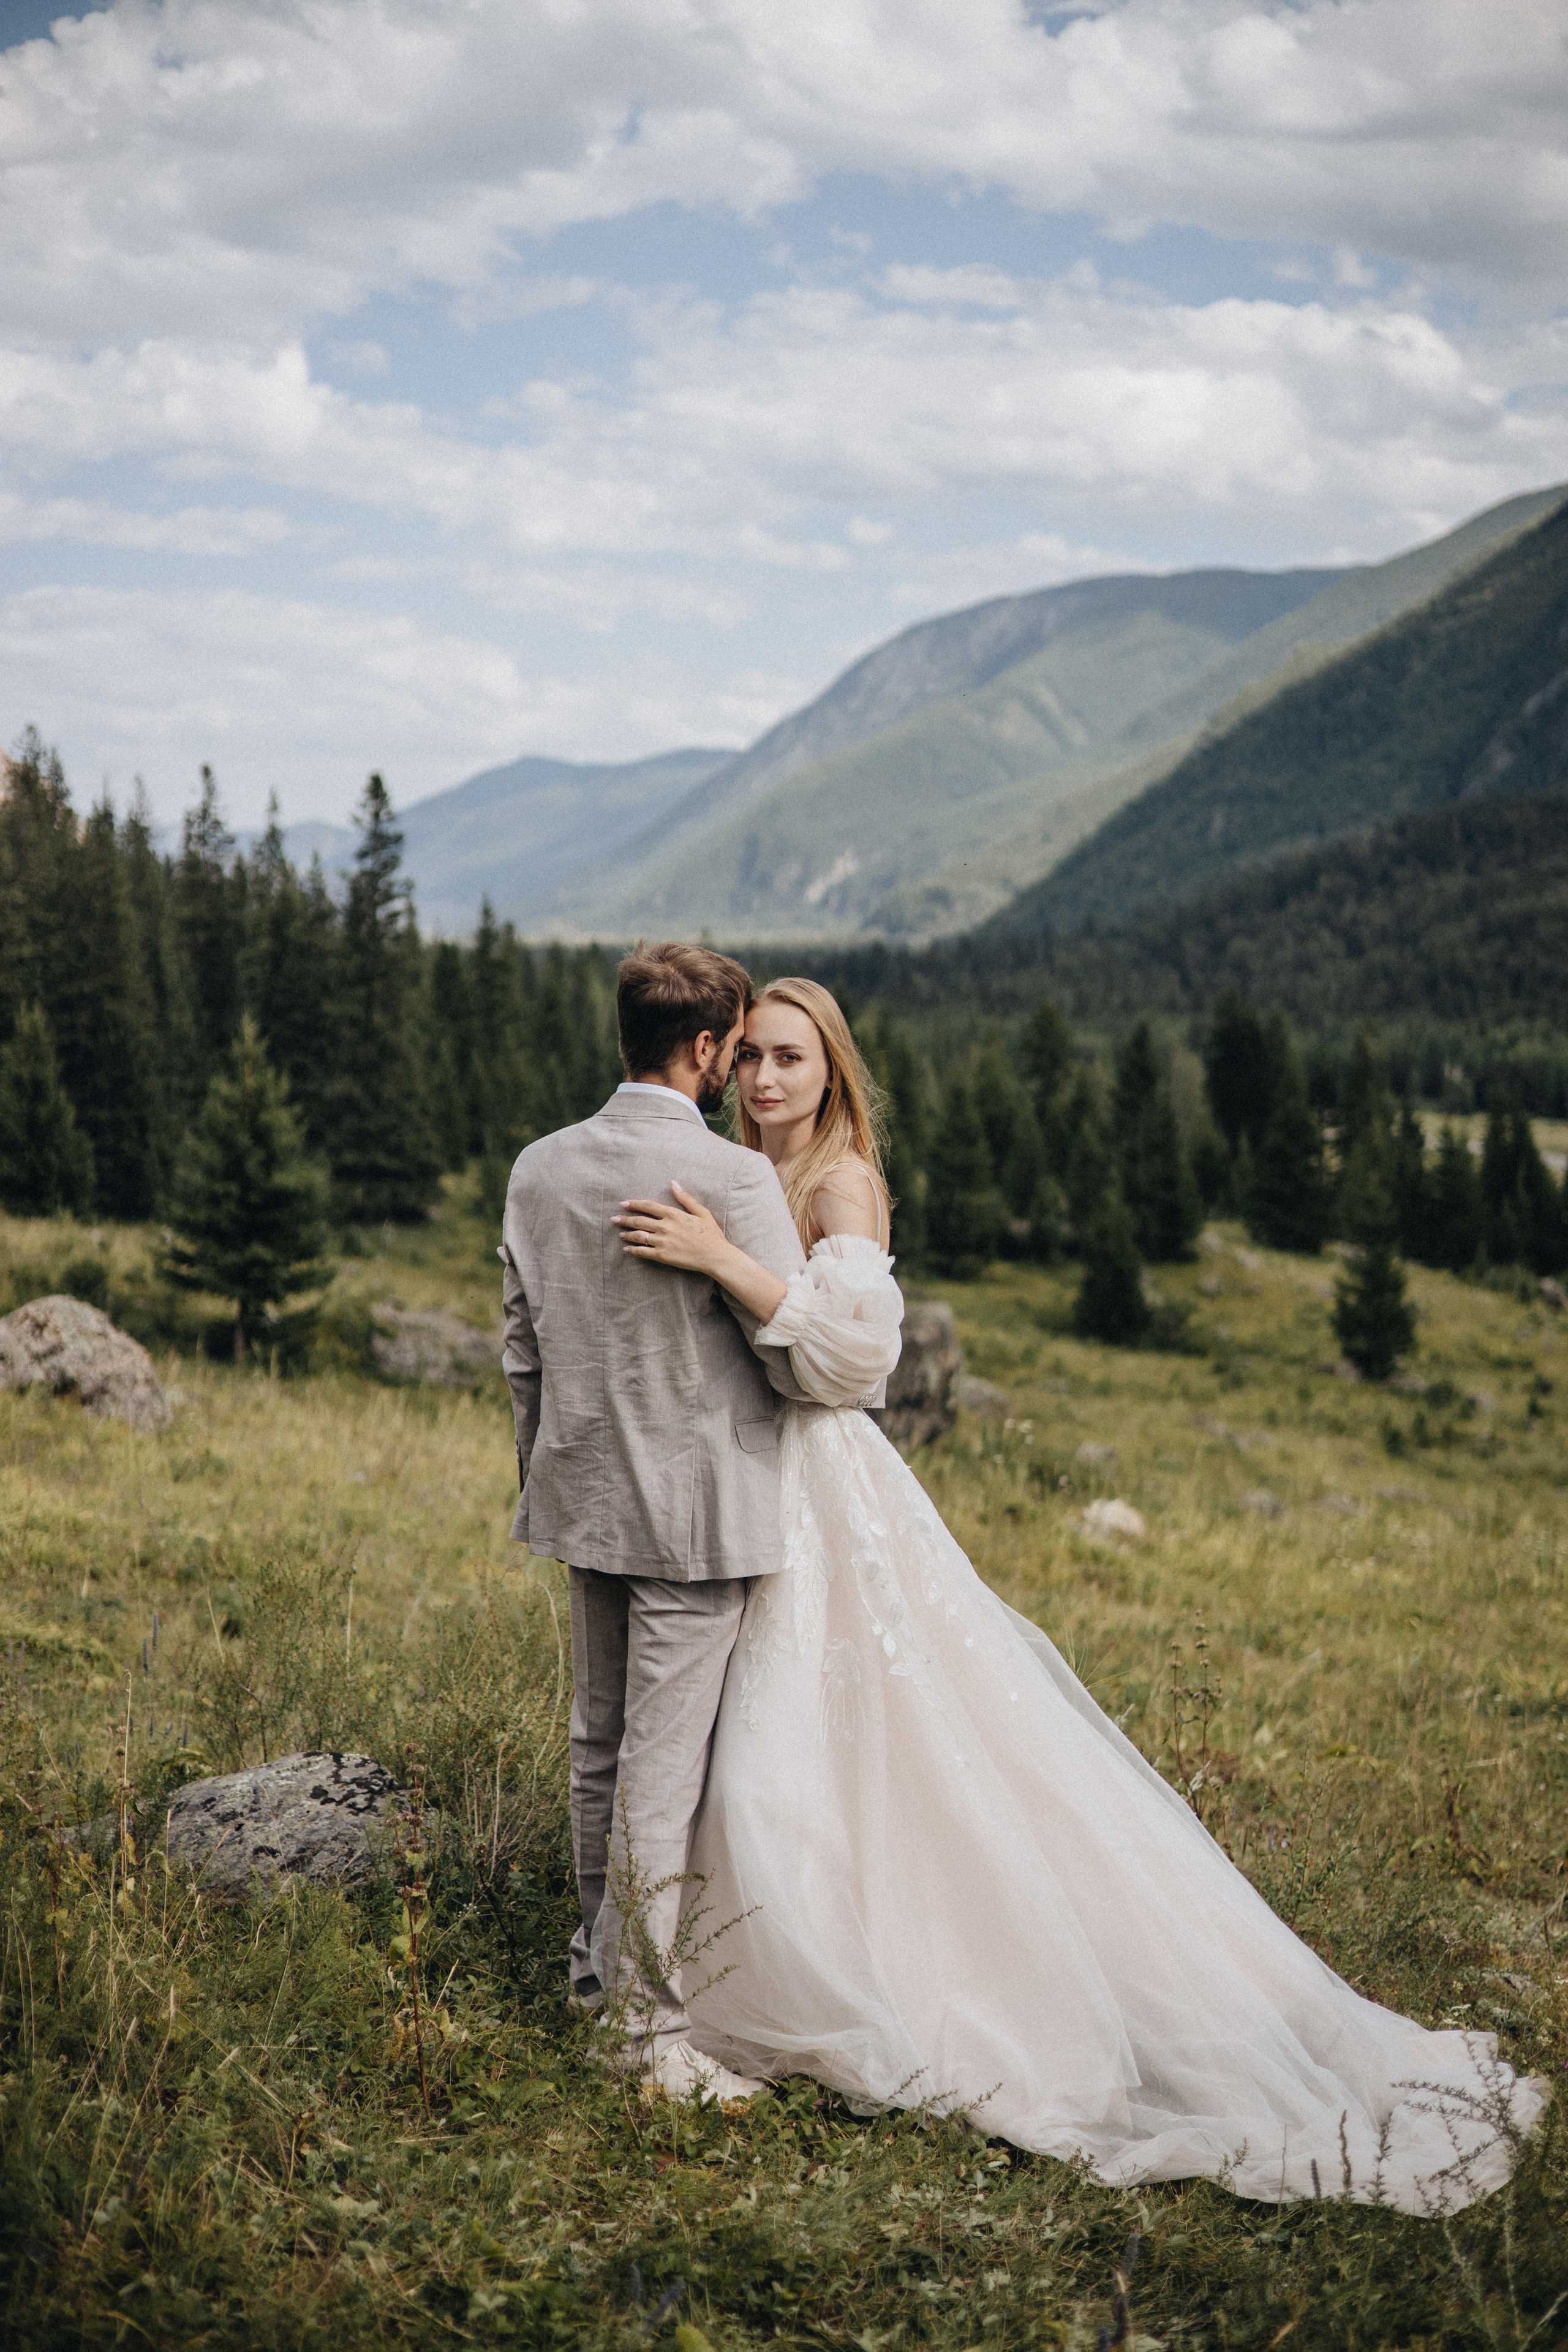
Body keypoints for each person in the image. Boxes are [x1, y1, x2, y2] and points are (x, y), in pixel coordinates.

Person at [611, 976, 1549, 2214]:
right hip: (736, 1490)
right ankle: (737, 1974)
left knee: (853, 1743)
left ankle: (881, 1985)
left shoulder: (841, 1184)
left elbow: (855, 1362)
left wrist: (727, 1262)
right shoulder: (735, 1168)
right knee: (762, 1748)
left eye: (791, 1059)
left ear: (831, 1071)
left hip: (822, 1487)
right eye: (752, 1062)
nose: (766, 1081)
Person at [500, 942, 812, 2102]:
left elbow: (520, 1349)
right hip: (696, 1517)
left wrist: (549, 1474)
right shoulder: (734, 1182)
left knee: (599, 1747)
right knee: (660, 1774)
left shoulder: (540, 1167)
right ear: (704, 1049)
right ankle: (642, 2035)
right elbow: (793, 1365)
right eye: (737, 1045)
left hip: (581, 1499)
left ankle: (596, 1981)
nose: (741, 1064)